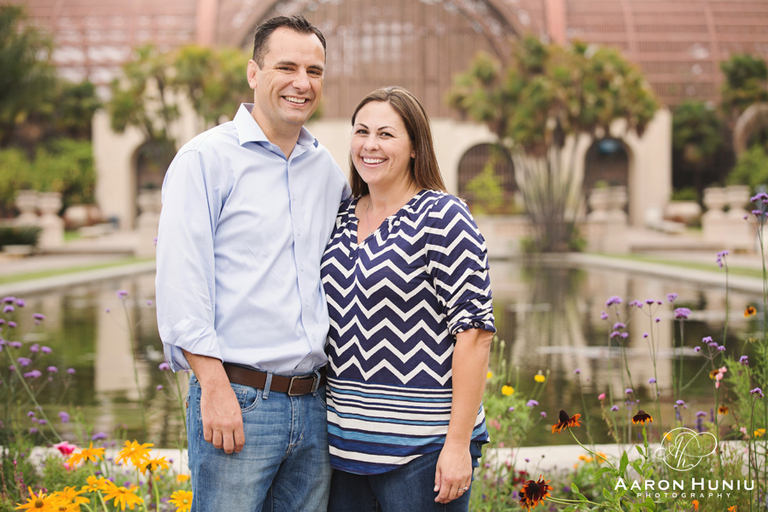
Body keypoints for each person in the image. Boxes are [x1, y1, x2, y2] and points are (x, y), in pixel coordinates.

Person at [155, 14, 350, 512]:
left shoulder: (326, 171)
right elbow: (182, 284)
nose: (302, 83)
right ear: (253, 73)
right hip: (238, 399)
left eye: (315, 70)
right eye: (286, 66)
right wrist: (214, 388)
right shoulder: (205, 160)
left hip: (313, 404)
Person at [320, 86, 495, 512]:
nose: (370, 145)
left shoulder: (442, 216)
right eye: (361, 131)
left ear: (415, 147)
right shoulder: (341, 215)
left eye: (386, 134)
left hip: (423, 453)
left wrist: (456, 447)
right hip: (344, 454)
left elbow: (474, 335)